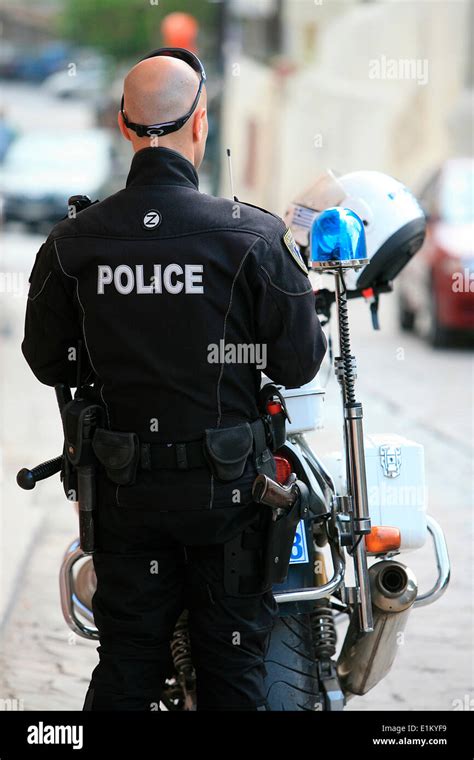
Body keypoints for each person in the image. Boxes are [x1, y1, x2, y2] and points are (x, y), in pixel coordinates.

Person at [22, 48, 327, 711]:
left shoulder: (74, 244)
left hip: (127, 497)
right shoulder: (252, 236)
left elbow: (48, 362)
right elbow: (299, 365)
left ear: (125, 127)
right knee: (236, 666)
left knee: (128, 663)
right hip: (230, 498)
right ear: (202, 124)